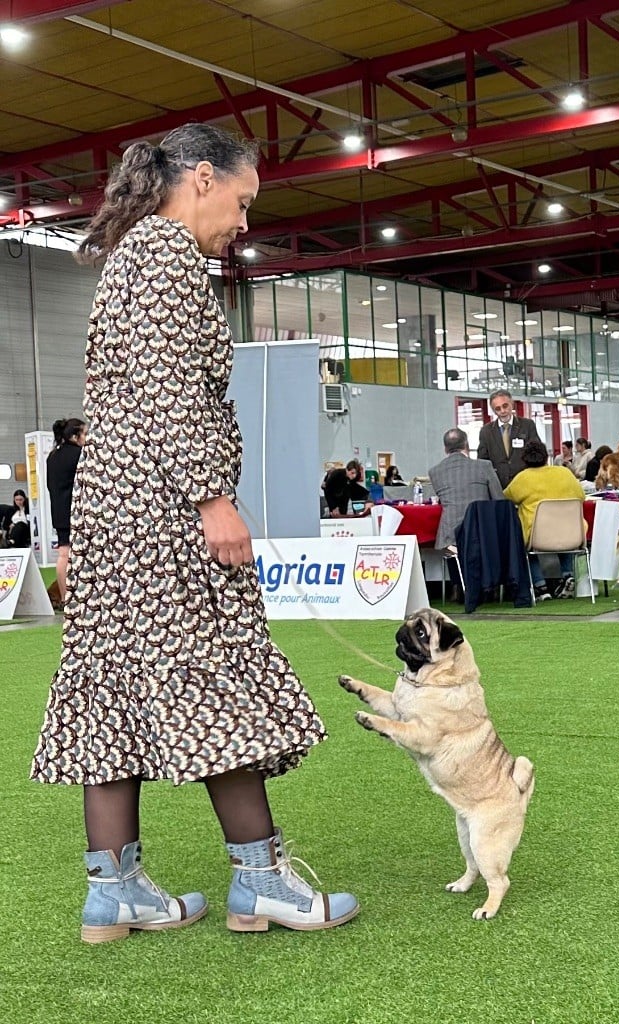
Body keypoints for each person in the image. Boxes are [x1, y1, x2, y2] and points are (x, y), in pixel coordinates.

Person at [31, 123, 358, 944]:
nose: (243, 222)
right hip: (163, 509)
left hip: (113, 512)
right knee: (210, 677)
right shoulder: (170, 256)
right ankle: (259, 884)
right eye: (242, 201)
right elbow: (172, 392)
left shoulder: (130, 257)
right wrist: (215, 500)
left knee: (111, 684)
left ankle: (115, 892)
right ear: (203, 178)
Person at [504, 440, 585, 601]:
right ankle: (567, 576)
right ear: (546, 457)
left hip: (538, 536)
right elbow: (581, 497)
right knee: (564, 532)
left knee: (524, 547)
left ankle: (540, 586)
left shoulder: (522, 478)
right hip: (571, 534)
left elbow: (505, 498)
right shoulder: (564, 473)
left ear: (524, 459)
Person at [429, 428, 504, 601]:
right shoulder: (484, 466)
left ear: (445, 449)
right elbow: (499, 499)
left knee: (453, 550)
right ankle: (488, 587)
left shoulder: (435, 472)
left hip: (451, 537)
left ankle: (457, 585)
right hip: (481, 533)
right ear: (466, 445)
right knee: (487, 544)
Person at [46, 417, 87, 600]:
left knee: (63, 553)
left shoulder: (52, 456)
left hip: (59, 510)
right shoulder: (80, 454)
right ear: (75, 436)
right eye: (85, 434)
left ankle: (65, 597)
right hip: (79, 510)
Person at [477, 389, 540, 487]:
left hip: (525, 482)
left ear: (512, 403)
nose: (502, 411)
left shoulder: (527, 425)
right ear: (493, 410)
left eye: (505, 406)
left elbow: (536, 454)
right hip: (498, 485)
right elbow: (482, 460)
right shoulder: (486, 431)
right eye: (497, 408)